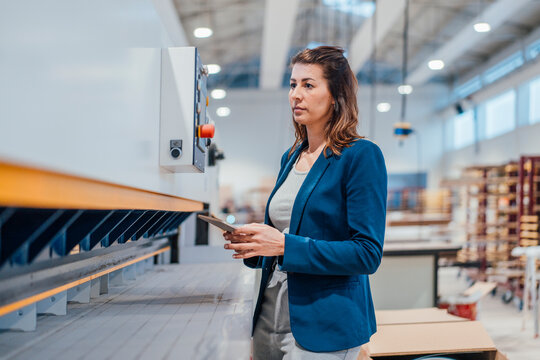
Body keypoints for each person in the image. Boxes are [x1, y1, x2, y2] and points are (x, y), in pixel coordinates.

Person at [223, 46, 387, 360]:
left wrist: (284, 245)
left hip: (324, 324)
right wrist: (254, 245)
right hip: (270, 316)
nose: (296, 94)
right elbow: (285, 238)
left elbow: (367, 254)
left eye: (308, 85)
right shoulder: (291, 157)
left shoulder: (359, 156)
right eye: (293, 84)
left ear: (336, 95)